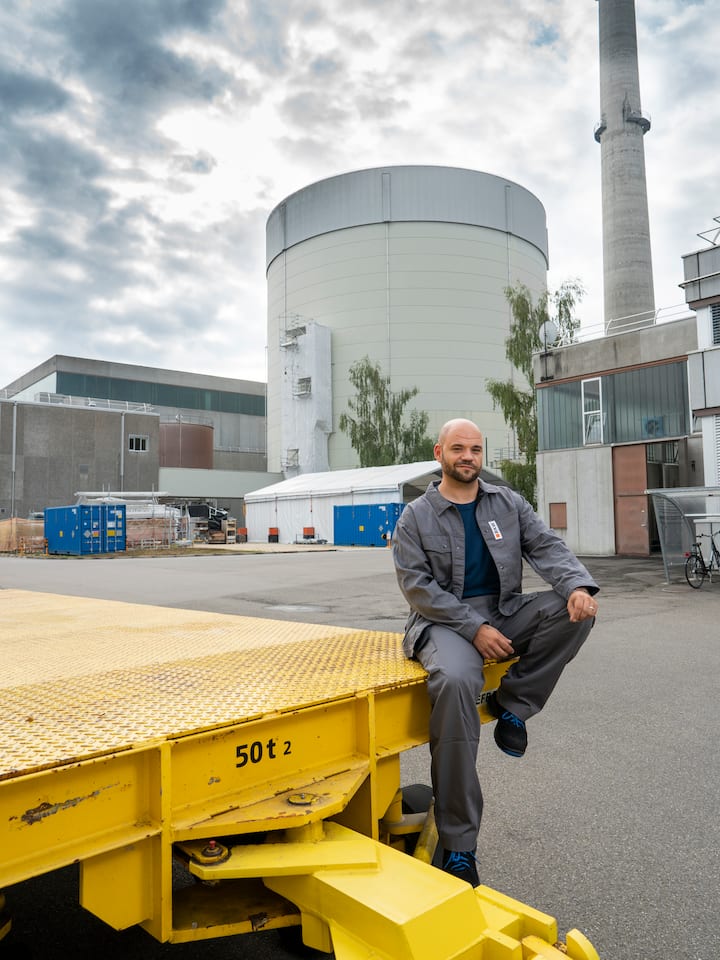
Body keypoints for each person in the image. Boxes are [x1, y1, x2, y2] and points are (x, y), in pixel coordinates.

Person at [392, 418, 599, 887]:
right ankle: (459, 845)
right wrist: (475, 628)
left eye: (475, 449)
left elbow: (546, 546)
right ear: (439, 453)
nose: (468, 457)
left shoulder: (507, 503)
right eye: (458, 448)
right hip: (443, 620)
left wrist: (577, 586)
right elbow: (418, 588)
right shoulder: (415, 517)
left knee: (575, 612)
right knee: (456, 681)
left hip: (504, 611)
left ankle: (513, 704)